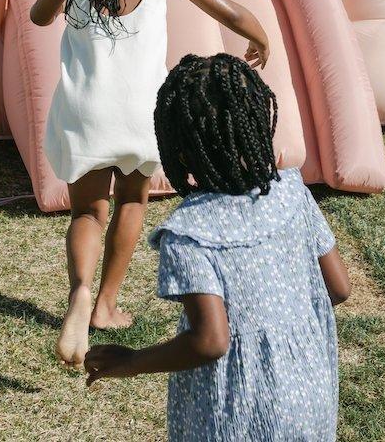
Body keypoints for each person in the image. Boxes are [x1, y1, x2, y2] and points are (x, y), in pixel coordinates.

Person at [30, 0, 271, 367]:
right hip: (142, 115)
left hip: (85, 111)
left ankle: (79, 292)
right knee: (132, 202)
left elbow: (38, 15)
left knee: (87, 212)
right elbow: (229, 10)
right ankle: (106, 305)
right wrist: (260, 37)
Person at [84, 53, 351, 442]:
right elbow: (339, 288)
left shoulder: (188, 233)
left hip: (236, 413)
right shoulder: (292, 190)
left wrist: (131, 362)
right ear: (257, 125)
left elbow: (210, 341)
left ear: (178, 149)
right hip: (310, 395)